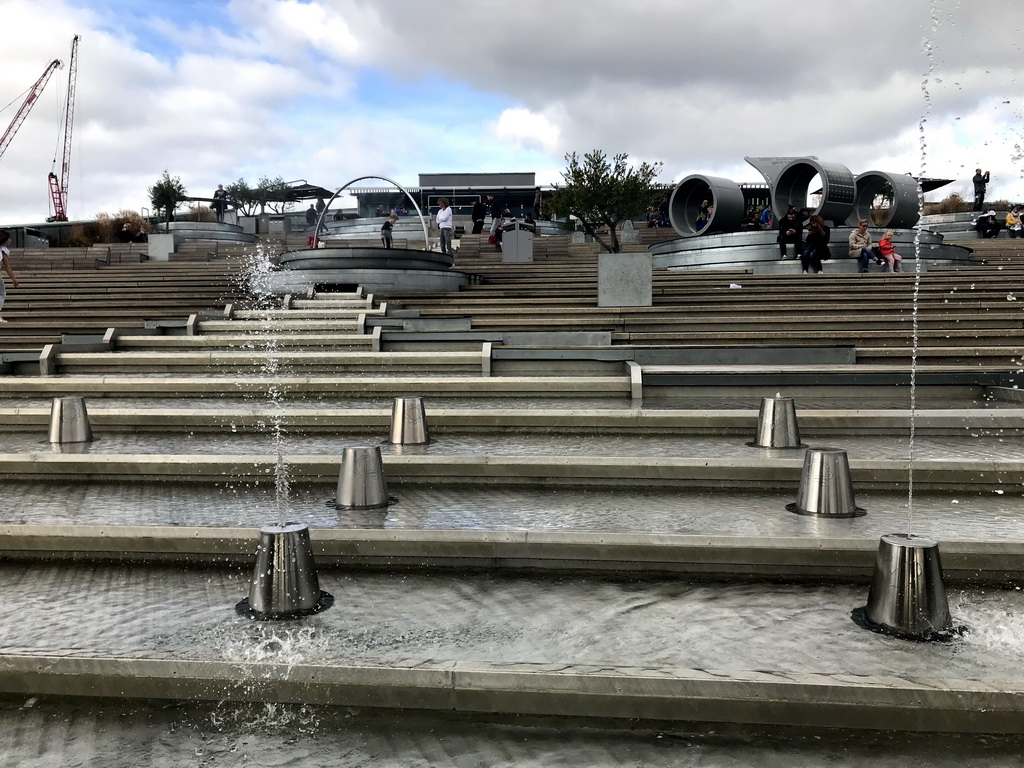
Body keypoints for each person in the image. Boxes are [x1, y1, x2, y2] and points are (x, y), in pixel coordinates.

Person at [0, 231, 19, 323]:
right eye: (9, 238)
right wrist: (13, 279)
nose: (10, 240)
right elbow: (7, 266)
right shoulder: (3, 249)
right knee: (1, 293)